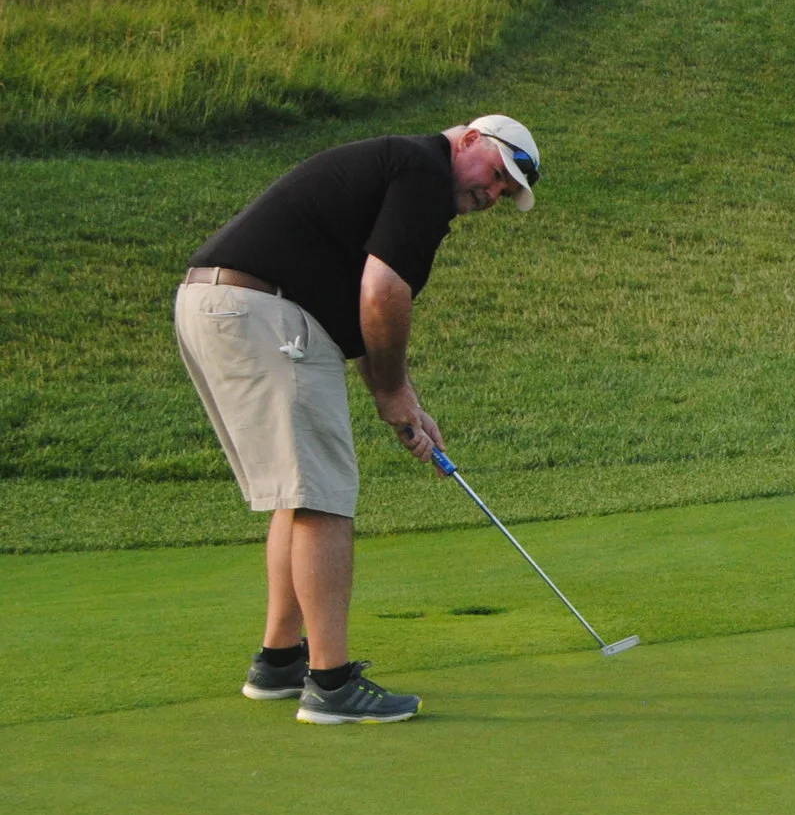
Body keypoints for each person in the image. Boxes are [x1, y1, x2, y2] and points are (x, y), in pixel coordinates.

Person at [173, 116, 541, 724]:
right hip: (263, 311)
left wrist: (404, 402)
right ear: (470, 141)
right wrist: (391, 390)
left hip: (221, 305)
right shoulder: (423, 170)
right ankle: (331, 684)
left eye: (505, 194)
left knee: (302, 492)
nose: (493, 195)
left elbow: (361, 314)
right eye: (497, 176)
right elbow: (383, 292)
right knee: (324, 497)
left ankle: (280, 661)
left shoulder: (401, 170)